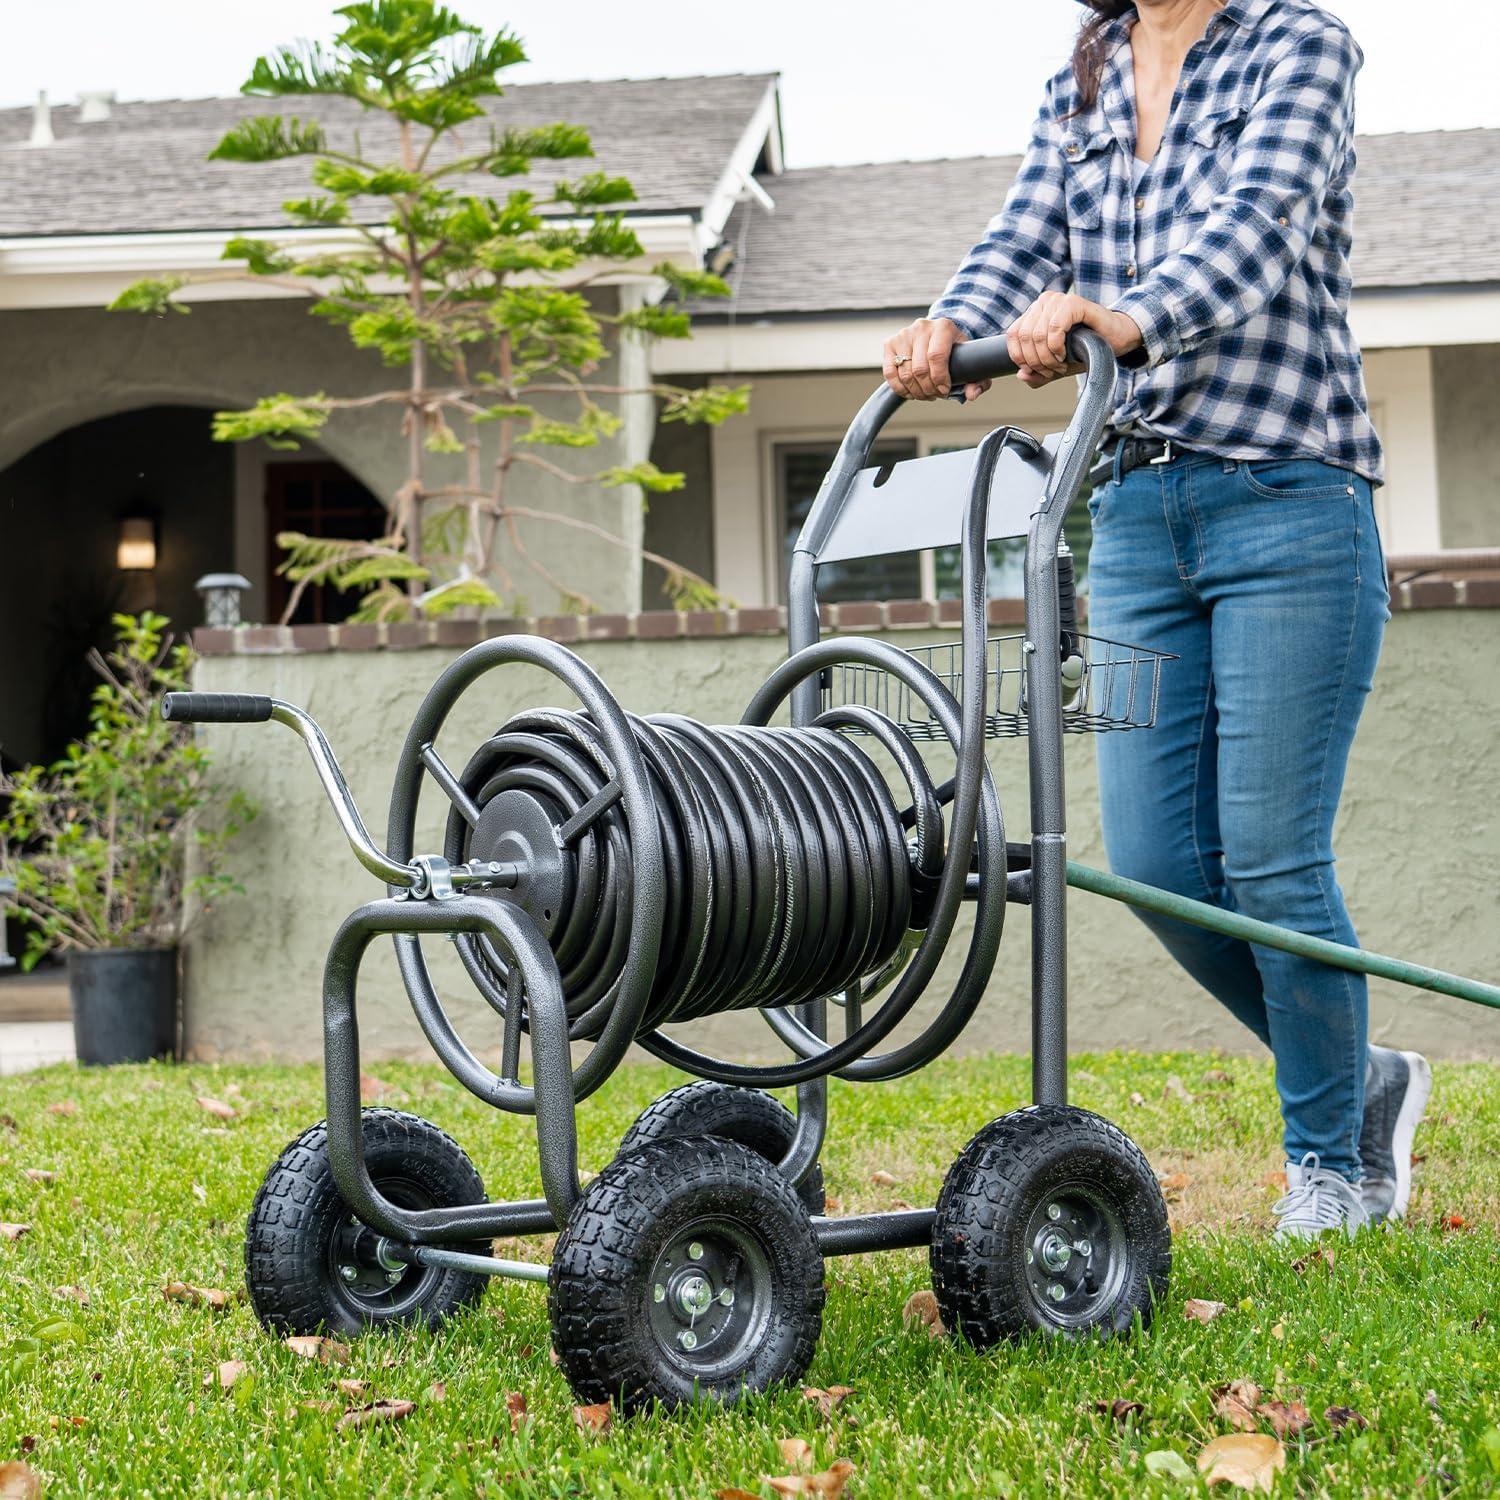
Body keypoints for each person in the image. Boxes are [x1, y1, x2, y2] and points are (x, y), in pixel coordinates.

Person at [883, 0, 1430, 1239]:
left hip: (1288, 496)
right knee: (1161, 871)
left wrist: (1117, 320)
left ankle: (1331, 1166)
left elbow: (1260, 226)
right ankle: (1371, 1078)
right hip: (1130, 513)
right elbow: (1019, 240)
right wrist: (946, 329)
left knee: (1272, 861)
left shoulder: (1301, 44)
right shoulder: (1079, 78)